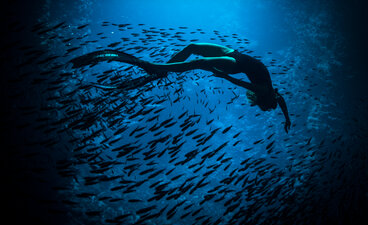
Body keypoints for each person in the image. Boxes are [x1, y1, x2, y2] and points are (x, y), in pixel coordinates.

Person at [71, 43, 291, 133]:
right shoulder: (274, 95)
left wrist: (222, 76)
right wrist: (287, 119)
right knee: (192, 47)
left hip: (236, 64)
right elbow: (281, 103)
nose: (265, 102)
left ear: (266, 99)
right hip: (234, 53)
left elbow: (242, 83)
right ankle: (164, 70)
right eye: (264, 106)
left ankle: (155, 66)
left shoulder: (266, 92)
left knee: (199, 63)